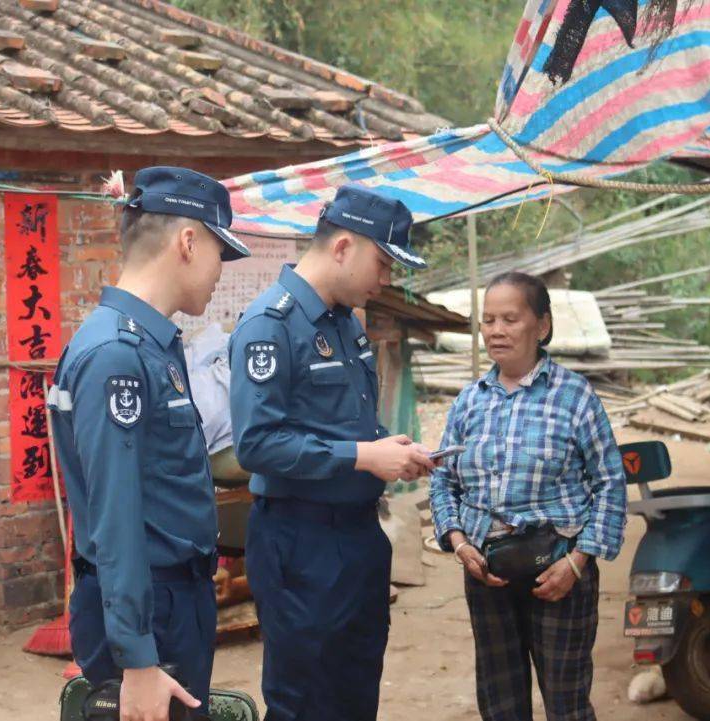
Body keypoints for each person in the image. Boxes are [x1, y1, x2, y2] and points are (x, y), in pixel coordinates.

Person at [48, 167, 251, 721]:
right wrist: (137, 658)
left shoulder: (151, 345)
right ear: (188, 242)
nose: (220, 272)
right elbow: (115, 516)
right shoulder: (117, 354)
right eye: (219, 254)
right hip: (148, 612)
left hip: (168, 600)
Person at [228, 185, 437, 721]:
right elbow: (257, 443)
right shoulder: (270, 325)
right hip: (301, 541)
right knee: (304, 702)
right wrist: (362, 457)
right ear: (343, 247)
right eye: (382, 264)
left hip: (359, 535)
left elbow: (347, 424)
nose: (385, 279)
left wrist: (391, 447)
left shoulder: (345, 322)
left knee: (354, 694)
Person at [429, 271, 627, 721]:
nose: (496, 331)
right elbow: (443, 480)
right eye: (488, 320)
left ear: (542, 325)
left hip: (559, 570)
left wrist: (577, 562)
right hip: (487, 574)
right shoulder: (469, 402)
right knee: (500, 702)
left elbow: (610, 483)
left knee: (567, 703)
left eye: (510, 319)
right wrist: (459, 543)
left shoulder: (575, 397)